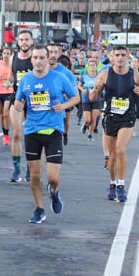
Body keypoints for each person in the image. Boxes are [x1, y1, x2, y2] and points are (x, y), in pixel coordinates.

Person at [13, 45, 80, 224]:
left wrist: (64, 106)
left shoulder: (59, 78)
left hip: (53, 132)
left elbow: (76, 97)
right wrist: (18, 105)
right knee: (35, 175)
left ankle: (54, 193)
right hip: (32, 131)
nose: (38, 61)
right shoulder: (26, 80)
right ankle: (39, 208)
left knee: (53, 178)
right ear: (31, 60)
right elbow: (18, 101)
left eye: (42, 57)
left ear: (48, 58)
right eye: (35, 58)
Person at [89, 45, 139, 203]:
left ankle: (121, 185)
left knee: (120, 150)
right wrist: (95, 91)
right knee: (112, 155)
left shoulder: (133, 74)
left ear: (127, 56)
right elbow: (94, 95)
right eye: (117, 55)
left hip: (127, 117)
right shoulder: (105, 74)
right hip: (110, 117)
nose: (120, 58)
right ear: (111, 57)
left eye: (123, 55)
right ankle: (112, 184)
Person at [8, 30, 35, 182]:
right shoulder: (13, 58)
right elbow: (12, 75)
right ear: (18, 42)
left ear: (31, 42)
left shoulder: (35, 58)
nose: (24, 42)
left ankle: (31, 167)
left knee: (33, 135)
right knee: (17, 133)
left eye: (27, 40)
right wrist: (9, 81)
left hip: (34, 100)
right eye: (21, 40)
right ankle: (16, 169)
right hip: (17, 98)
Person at [0, 46, 15, 145]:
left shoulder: (13, 65)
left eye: (8, 53)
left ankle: (6, 136)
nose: (6, 56)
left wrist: (10, 82)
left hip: (9, 91)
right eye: (4, 53)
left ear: (11, 55)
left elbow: (14, 77)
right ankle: (4, 133)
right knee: (0, 115)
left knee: (5, 114)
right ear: (2, 54)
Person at [78, 57, 102, 141]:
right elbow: (79, 85)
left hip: (97, 99)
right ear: (88, 66)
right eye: (90, 65)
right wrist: (83, 90)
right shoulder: (84, 76)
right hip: (86, 99)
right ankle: (85, 124)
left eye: (93, 65)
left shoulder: (100, 76)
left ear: (96, 66)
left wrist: (98, 90)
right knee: (88, 119)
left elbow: (103, 86)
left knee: (94, 118)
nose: (92, 67)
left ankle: (90, 135)